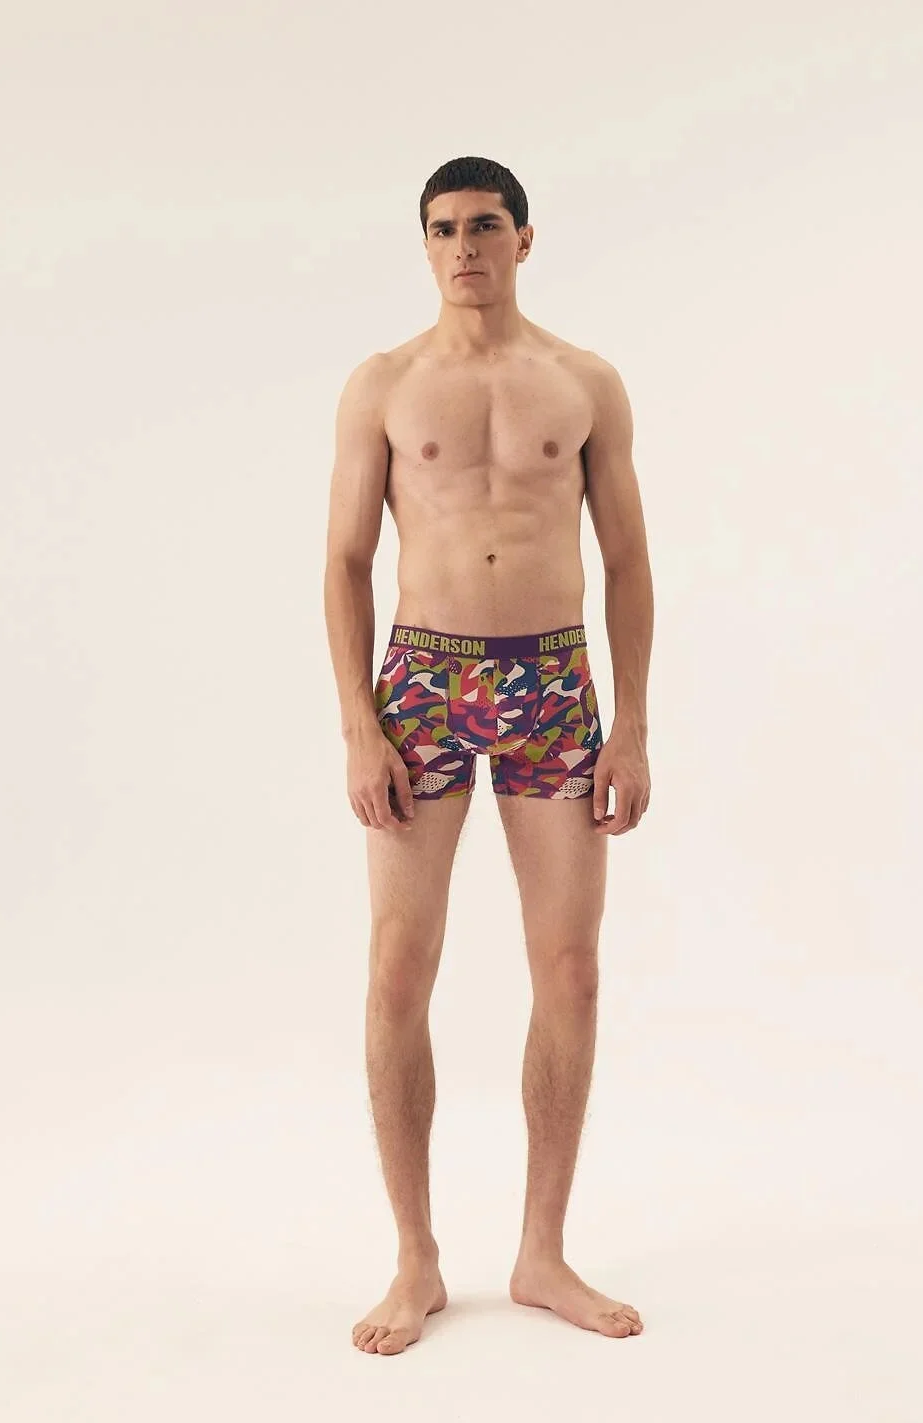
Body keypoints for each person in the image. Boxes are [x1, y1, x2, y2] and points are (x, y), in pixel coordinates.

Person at [323, 156, 654, 1356]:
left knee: (569, 970)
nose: (462, 246)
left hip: (552, 686)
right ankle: (414, 1256)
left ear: (523, 238)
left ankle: (540, 1252)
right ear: (424, 245)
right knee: (396, 969)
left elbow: (626, 558)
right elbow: (344, 560)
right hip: (419, 685)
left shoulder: (584, 381)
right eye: (441, 229)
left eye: (482, 225)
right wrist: (358, 724)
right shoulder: (383, 384)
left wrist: (632, 722)